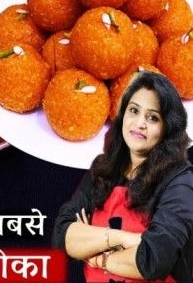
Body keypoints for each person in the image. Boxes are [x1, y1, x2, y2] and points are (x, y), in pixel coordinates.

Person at [52, 71, 193, 282]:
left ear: (168, 128)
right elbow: (61, 238)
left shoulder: (180, 182)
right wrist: (123, 239)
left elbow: (153, 259)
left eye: (153, 117)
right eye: (134, 110)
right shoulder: (103, 169)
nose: (139, 123)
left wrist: (98, 256)